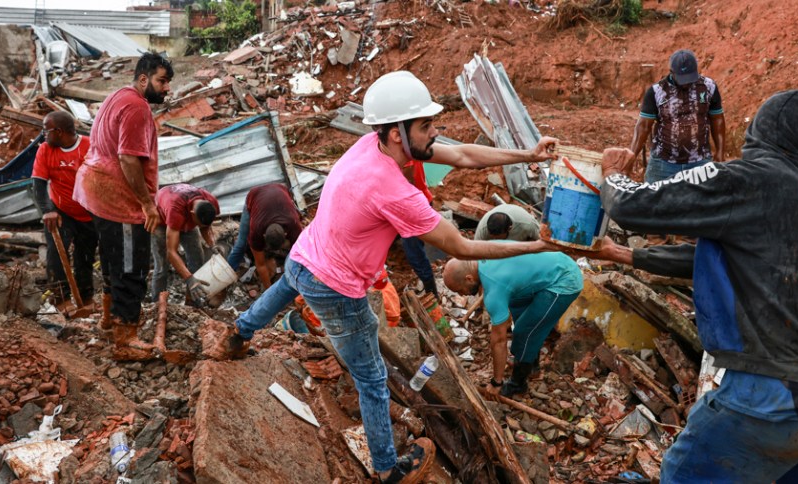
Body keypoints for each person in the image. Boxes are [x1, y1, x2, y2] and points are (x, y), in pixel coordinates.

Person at [208, 70, 559, 483]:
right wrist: (535, 246)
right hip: (335, 285)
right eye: (426, 126)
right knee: (372, 378)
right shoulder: (394, 190)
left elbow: (464, 155)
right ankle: (387, 469)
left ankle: (238, 335)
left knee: (287, 287)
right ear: (398, 133)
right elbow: (461, 248)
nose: (435, 133)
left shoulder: (368, 145)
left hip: (305, 256)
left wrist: (529, 155)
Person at [598, 90, 798, 482]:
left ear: (759, 132)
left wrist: (612, 175)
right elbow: (727, 259)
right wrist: (629, 257)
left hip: (773, 399)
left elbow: (636, 205)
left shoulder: (748, 178)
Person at [73, 51, 173, 361]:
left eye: (168, 82)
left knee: (113, 259)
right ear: (144, 79)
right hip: (119, 197)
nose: (167, 88)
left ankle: (107, 321)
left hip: (96, 190)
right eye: (162, 81)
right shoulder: (137, 108)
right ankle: (126, 338)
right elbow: (128, 158)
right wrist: (147, 204)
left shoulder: (117, 95)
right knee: (132, 267)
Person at [442, 253, 582, 398]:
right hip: (554, 265)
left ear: (469, 278)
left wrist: (496, 382)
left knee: (524, 332)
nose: (462, 295)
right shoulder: (484, 255)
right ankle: (531, 365)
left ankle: (518, 384)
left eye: (459, 290)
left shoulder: (494, 292)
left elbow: (499, 341)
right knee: (516, 304)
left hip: (565, 280)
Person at [31, 111, 97, 308]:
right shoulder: (45, 149)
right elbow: (38, 185)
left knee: (85, 257)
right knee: (56, 254)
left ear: (59, 131)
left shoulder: (90, 146)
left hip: (90, 213)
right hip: (61, 212)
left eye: (46, 129)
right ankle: (61, 298)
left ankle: (86, 298)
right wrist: (47, 210)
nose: (43, 134)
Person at [629, 49, 726, 183]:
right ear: (671, 72)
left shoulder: (708, 87)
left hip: (700, 162)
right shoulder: (657, 92)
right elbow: (643, 127)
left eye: (690, 78)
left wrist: (720, 151)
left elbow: (717, 119)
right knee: (654, 202)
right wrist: (631, 156)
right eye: (682, 79)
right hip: (663, 164)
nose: (686, 83)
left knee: (701, 203)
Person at [150, 183, 220, 304]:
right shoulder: (175, 209)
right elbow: (171, 252)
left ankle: (192, 302)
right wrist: (189, 279)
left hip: (185, 217)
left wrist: (212, 245)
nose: (200, 228)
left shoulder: (210, 202)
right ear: (192, 213)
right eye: (198, 224)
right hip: (161, 222)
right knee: (162, 266)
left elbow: (205, 227)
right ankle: (158, 304)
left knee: (197, 259)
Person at [227, 183, 302, 290]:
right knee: (241, 244)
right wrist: (269, 291)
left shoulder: (294, 225)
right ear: (263, 235)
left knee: (294, 254)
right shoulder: (256, 229)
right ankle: (227, 274)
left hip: (280, 190)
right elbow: (260, 265)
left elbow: (300, 257)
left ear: (286, 234)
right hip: (255, 196)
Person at [474, 204, 540, 241]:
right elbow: (475, 252)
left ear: (509, 228)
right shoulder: (483, 227)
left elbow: (543, 241)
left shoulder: (527, 223)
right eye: (493, 238)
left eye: (497, 238)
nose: (495, 240)